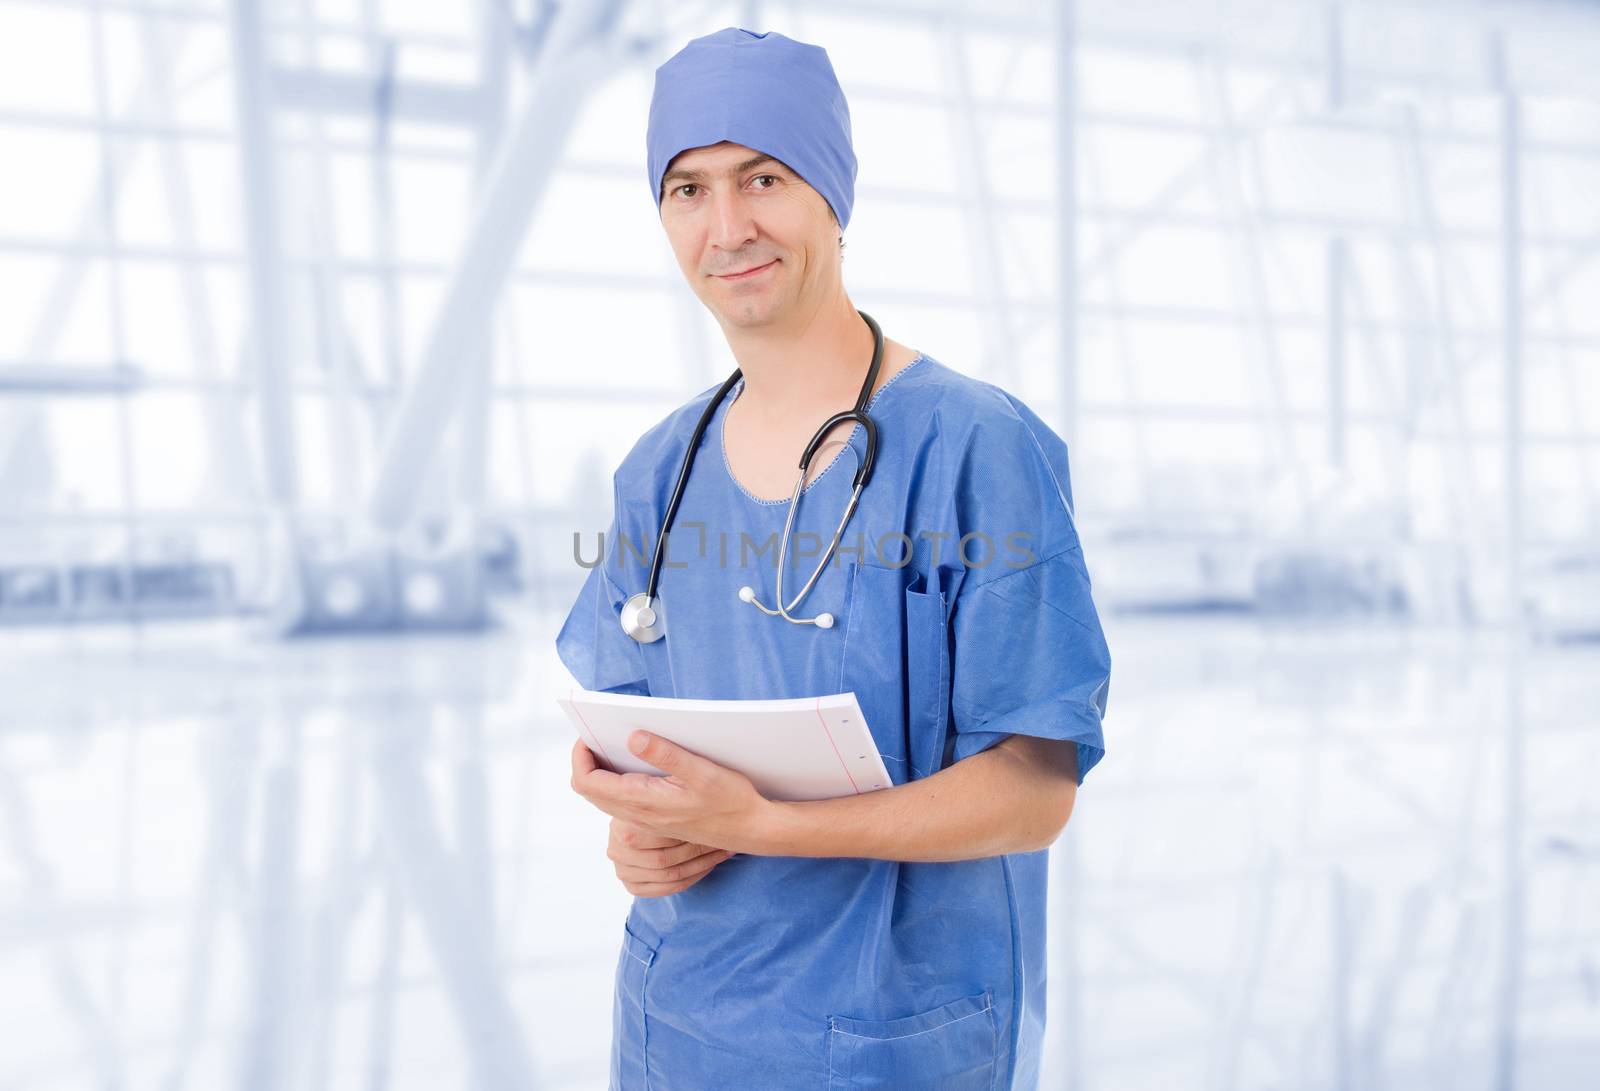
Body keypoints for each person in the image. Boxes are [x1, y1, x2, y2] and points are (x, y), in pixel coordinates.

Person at [555, 26, 1111, 1091]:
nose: (728, 226)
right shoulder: (658, 473)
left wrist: (766, 823)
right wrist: (640, 838)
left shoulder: (973, 448)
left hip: (892, 1036)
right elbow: (636, 742)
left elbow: (1035, 788)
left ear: (831, 196)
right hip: (677, 1021)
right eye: (688, 189)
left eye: (762, 176)